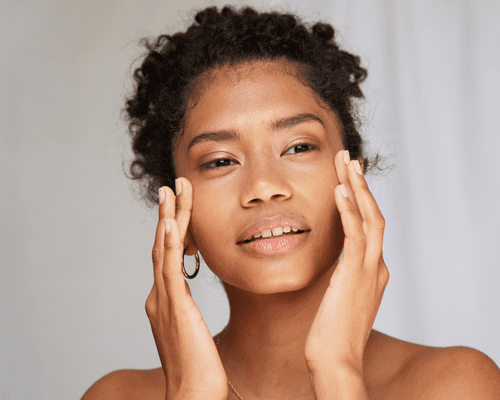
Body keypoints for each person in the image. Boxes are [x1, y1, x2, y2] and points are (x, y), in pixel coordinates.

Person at [82, 5, 500, 399]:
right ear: (178, 216)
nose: (264, 186)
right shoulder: (118, 396)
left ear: (354, 179)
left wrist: (338, 372)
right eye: (221, 161)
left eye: (298, 147)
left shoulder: (455, 384)